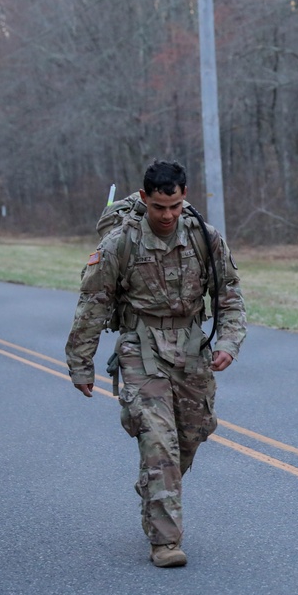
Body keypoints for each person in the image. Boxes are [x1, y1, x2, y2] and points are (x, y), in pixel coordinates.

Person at [66, 160, 246, 567]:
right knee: (158, 442)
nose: (167, 216)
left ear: (185, 199)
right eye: (160, 207)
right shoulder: (120, 244)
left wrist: (230, 342)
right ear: (145, 199)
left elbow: (230, 295)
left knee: (194, 433)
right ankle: (165, 541)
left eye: (176, 206)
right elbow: (92, 306)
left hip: (191, 348)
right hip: (140, 346)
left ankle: (154, 486)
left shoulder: (205, 238)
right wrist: (80, 362)